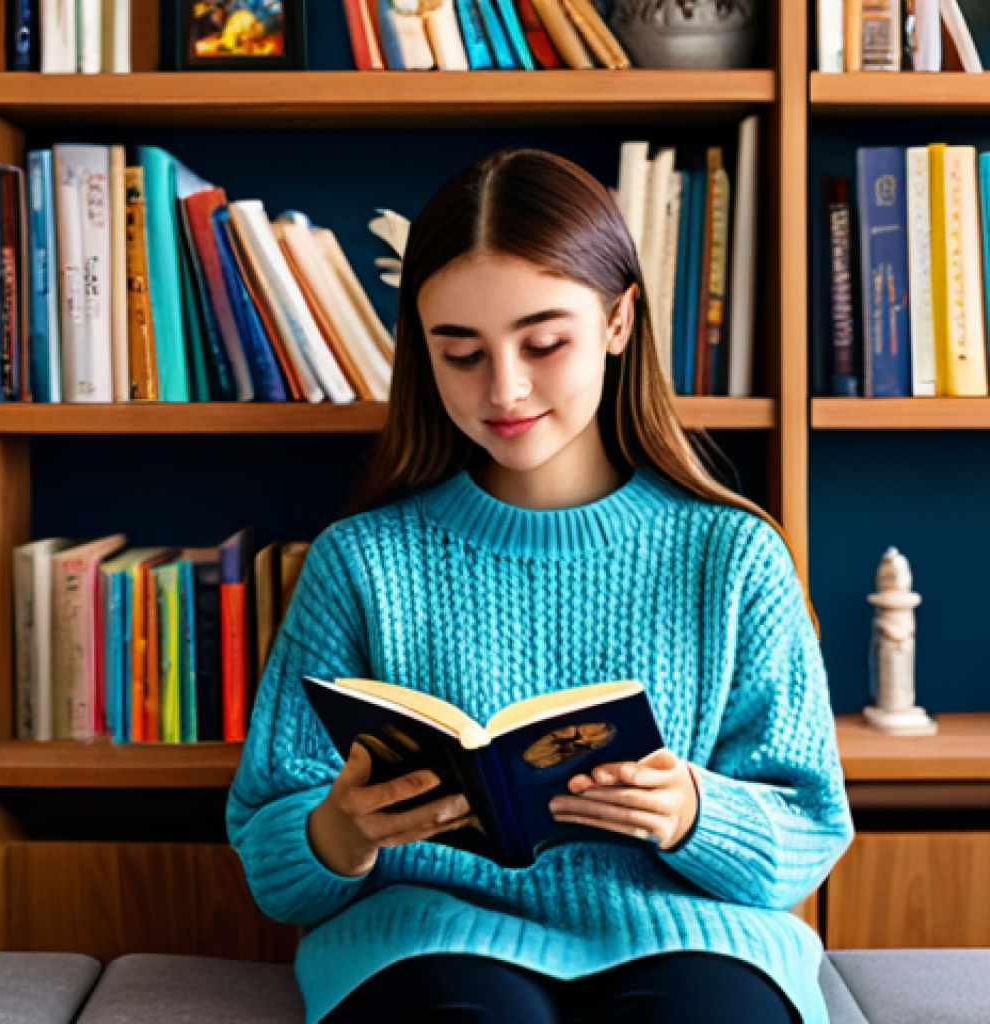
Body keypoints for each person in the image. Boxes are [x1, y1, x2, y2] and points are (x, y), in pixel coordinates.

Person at [227, 148, 854, 1024]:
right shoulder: (360, 561)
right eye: (461, 353)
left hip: (692, 936)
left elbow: (811, 828)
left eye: (544, 342)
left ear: (619, 320)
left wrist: (692, 813)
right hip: (425, 937)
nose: (505, 388)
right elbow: (271, 850)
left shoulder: (733, 555)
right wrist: (342, 830)